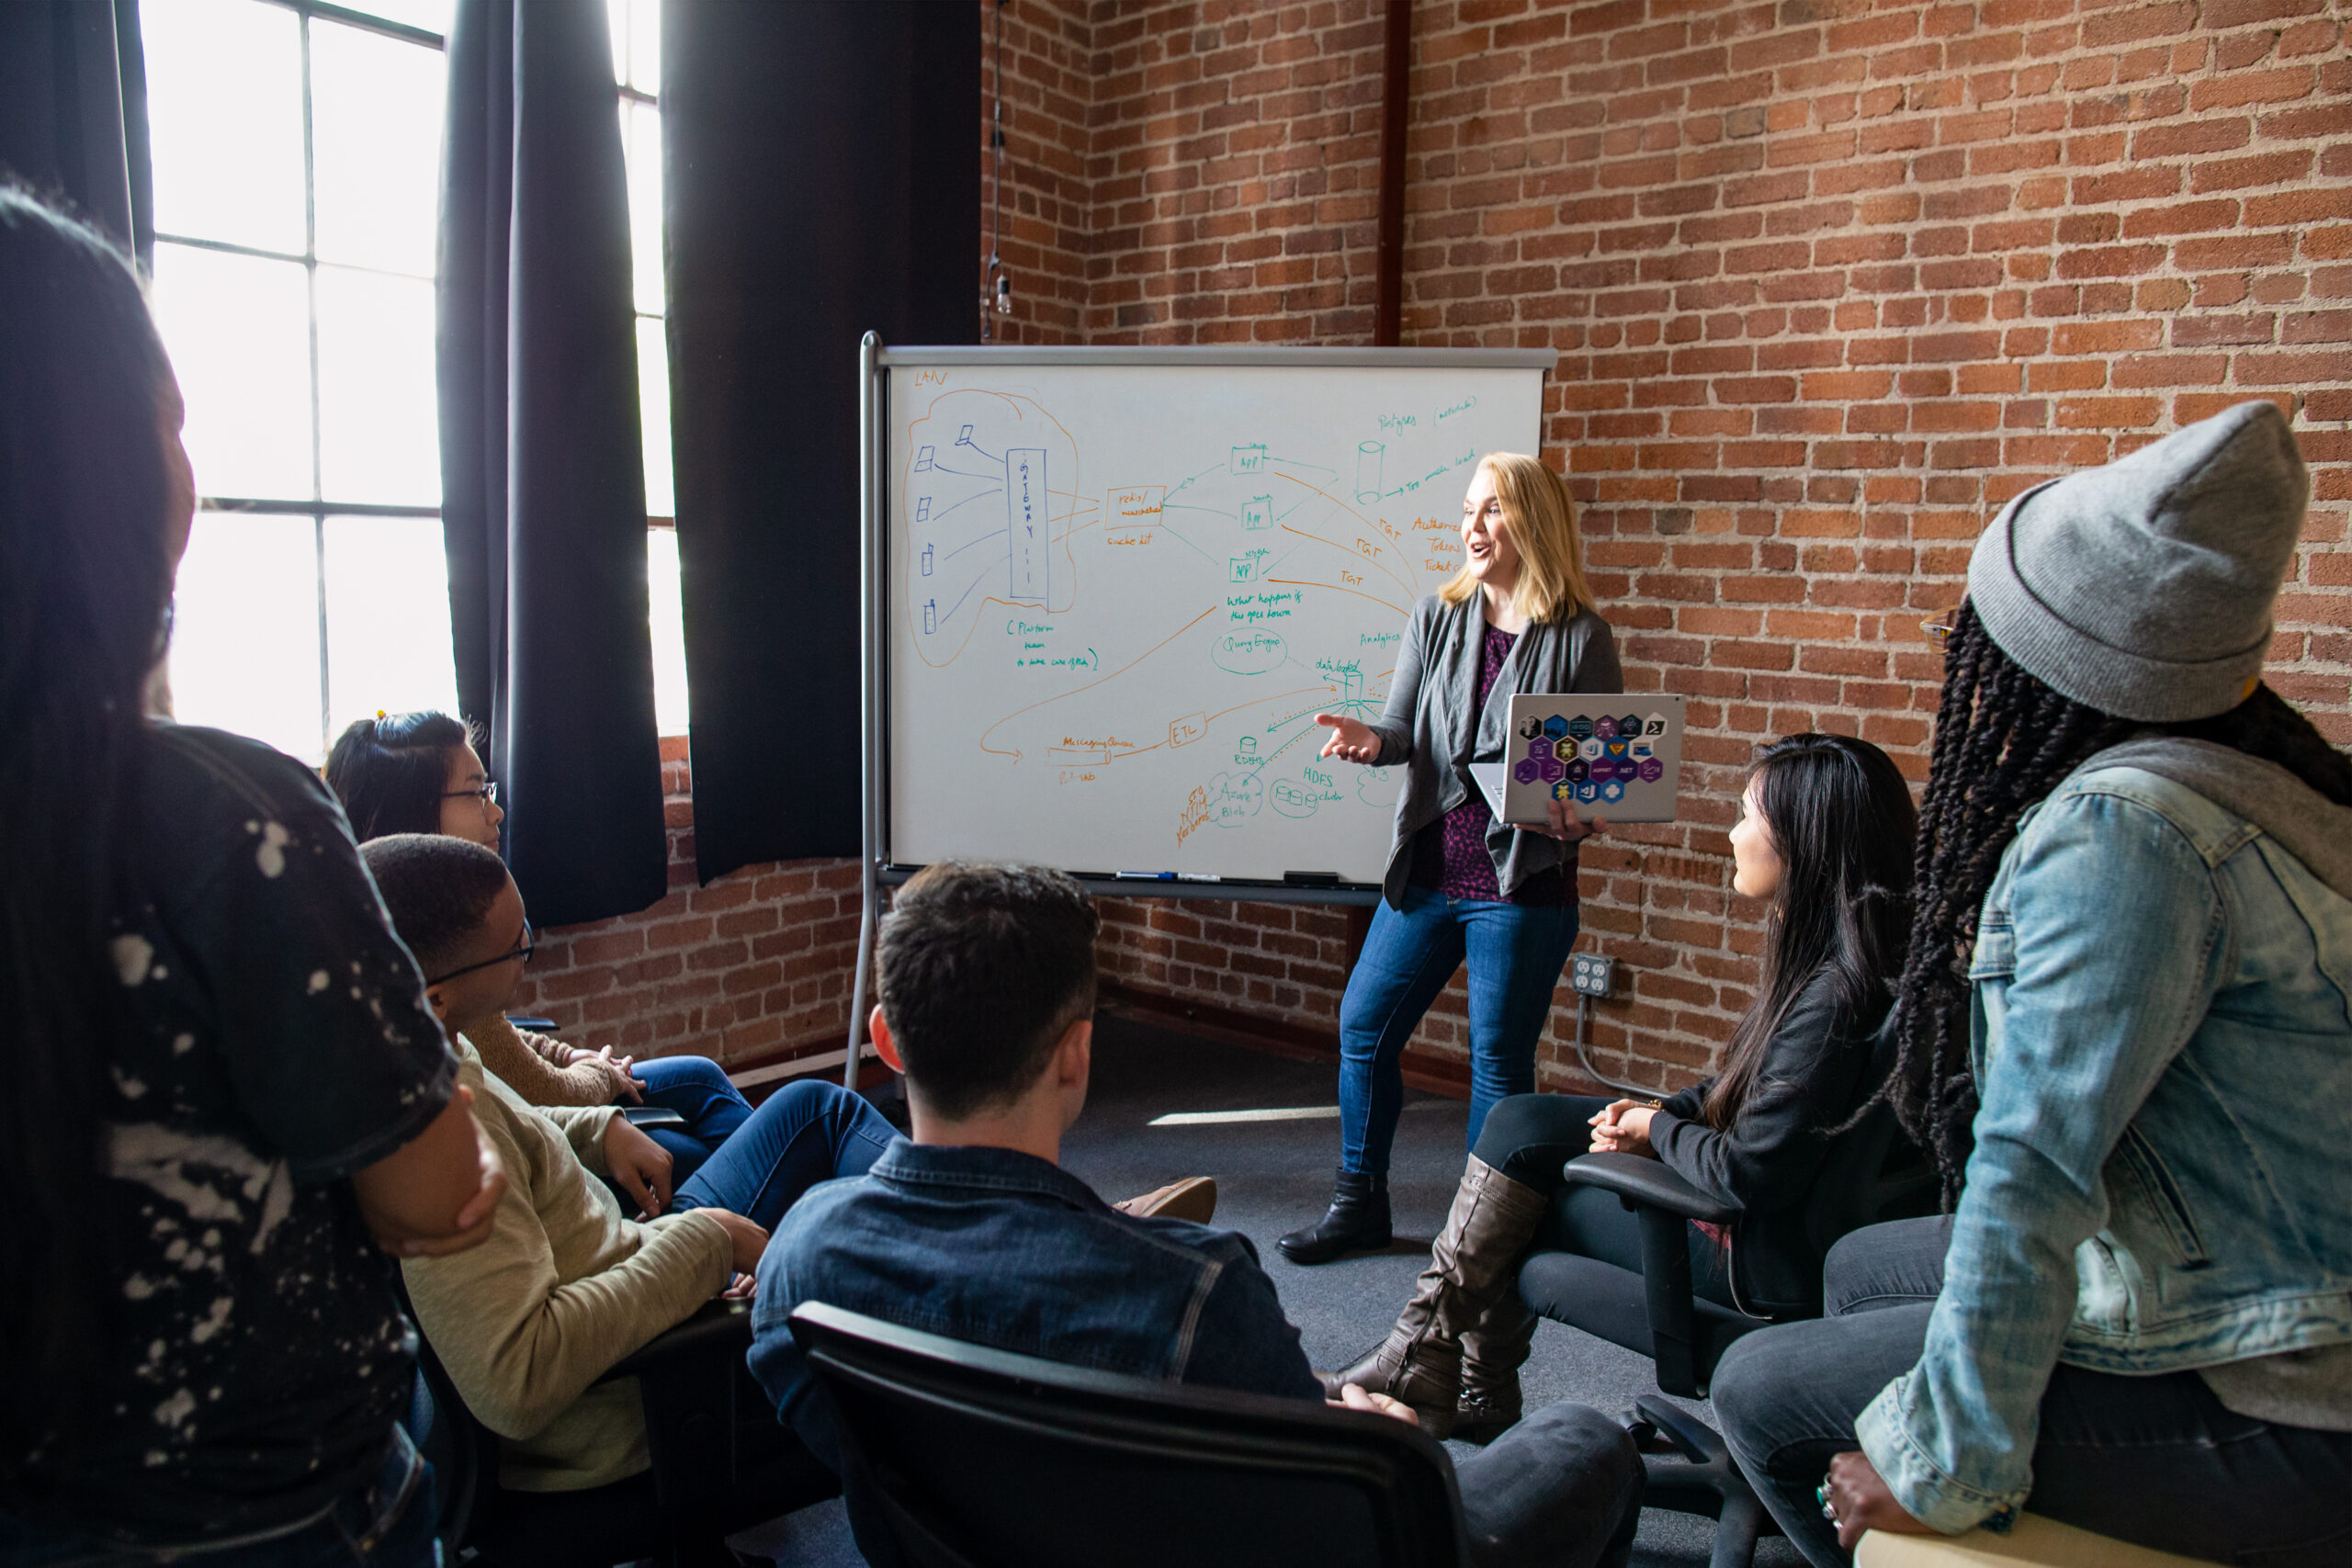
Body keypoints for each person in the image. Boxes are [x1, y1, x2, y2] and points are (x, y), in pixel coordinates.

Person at [1708, 402, 2352, 1567]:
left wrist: (1935, 1459)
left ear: (2041, 660)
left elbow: (2032, 1171)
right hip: (2273, 1275)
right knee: (1865, 1264)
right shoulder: (2272, 789)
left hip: (2288, 1390)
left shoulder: (2121, 835)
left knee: (1760, 1385)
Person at [0, 188, 503, 1564]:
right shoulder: (231, 821)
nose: (192, 472)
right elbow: (434, 1189)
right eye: (167, 424)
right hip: (272, 1520)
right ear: (97, 482)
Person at [748, 863, 1645, 1568]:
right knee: (1584, 1438)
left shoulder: (802, 1253)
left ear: (886, 1041)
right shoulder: (1195, 1287)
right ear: (1077, 1055)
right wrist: (1388, 1455)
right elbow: (1328, 1523)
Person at [1332, 734, 1917, 1439]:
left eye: (1745, 816)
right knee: (1520, 1122)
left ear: (1803, 843)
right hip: (1787, 1233)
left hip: (1754, 1257)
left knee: (1525, 1200)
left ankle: (1444, 1374)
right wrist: (1659, 1111)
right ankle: (1424, 1362)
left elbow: (1748, 1173)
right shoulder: (1856, 963)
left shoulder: (1831, 1000)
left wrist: (1657, 1134)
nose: (1731, 833)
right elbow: (1751, 1086)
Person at [357, 833, 902, 1503]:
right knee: (827, 1119)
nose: (530, 952)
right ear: (437, 995)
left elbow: (521, 1119)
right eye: (517, 947)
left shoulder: (421, 1048)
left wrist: (596, 1126)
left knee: (813, 1107)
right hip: (648, 1402)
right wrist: (711, 1240)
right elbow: (517, 1381)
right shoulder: (440, 1156)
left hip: (628, 1264)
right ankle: (944, 1291)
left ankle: (915, 1267)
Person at [1282, 451, 1623, 1265]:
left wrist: (1581, 816)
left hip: (1522, 885)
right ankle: (1358, 1203)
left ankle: (1478, 1238)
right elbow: (1401, 731)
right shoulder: (1436, 615)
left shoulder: (1582, 636)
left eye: (1491, 512)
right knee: (1362, 1028)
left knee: (1498, 1062)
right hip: (1430, 871)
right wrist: (1372, 743)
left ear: (1531, 524)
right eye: (1468, 510)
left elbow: (1597, 780)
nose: (1471, 528)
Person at [327, 709, 752, 1188]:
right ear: (412, 811)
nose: (496, 811)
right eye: (475, 793)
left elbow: (500, 1042)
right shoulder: (432, 943)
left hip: (549, 1101)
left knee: (701, 1078)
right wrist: (600, 1074)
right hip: (539, 1140)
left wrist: (570, 1056)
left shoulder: (393, 908)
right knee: (719, 1144)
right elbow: (540, 1094)